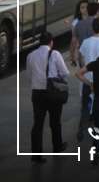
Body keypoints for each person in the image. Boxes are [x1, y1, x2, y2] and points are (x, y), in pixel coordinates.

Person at [26, 32, 69, 163]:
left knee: (38, 124)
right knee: (55, 121)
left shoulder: (30, 56)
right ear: (51, 42)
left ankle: (36, 155)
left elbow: (29, 75)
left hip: (37, 93)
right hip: (53, 93)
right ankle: (57, 146)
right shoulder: (55, 54)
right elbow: (65, 73)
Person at [76, 17, 99, 142]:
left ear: (92, 28)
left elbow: (81, 58)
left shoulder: (85, 42)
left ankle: (81, 128)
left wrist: (85, 68)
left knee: (85, 106)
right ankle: (97, 134)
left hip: (87, 80)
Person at [69, 0, 89, 67]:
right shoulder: (76, 22)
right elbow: (73, 40)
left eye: (86, 7)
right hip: (83, 51)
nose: (85, 9)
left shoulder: (94, 19)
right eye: (82, 7)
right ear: (79, 10)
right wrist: (72, 57)